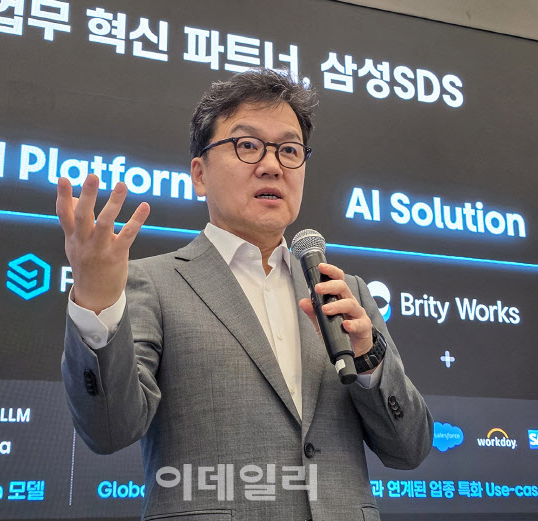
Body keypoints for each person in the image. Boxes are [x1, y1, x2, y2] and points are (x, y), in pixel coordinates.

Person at [58, 68, 433, 521]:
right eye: (248, 145)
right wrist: (96, 301)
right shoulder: (153, 283)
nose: (272, 165)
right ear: (200, 174)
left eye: (289, 150)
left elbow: (409, 449)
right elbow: (108, 430)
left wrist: (369, 360)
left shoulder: (343, 291)